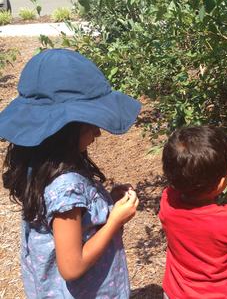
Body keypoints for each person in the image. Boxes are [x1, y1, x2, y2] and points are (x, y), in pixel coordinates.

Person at [0, 49, 142, 298]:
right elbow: (72, 267)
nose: (98, 133)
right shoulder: (65, 185)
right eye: (91, 124)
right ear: (65, 130)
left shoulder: (40, 164)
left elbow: (71, 222)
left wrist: (104, 203)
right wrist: (115, 221)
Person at [159, 125, 227, 299]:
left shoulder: (168, 200)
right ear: (221, 183)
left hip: (175, 292)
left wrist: (225, 172)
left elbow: (192, 183)